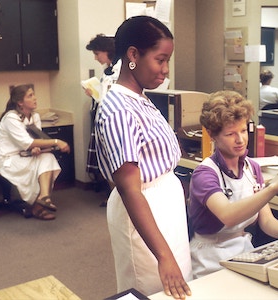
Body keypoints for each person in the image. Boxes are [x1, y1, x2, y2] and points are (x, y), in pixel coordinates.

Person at [94, 16, 192, 298]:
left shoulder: (139, 97)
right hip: (144, 214)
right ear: (133, 54)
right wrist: (163, 255)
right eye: (160, 60)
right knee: (153, 289)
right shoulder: (119, 109)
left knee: (176, 288)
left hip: (164, 210)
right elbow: (130, 189)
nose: (165, 70)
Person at [188, 90, 278, 279]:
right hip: (209, 258)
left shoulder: (252, 167)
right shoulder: (205, 174)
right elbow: (228, 216)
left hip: (243, 253)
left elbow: (266, 221)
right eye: (231, 133)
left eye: (243, 130)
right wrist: (275, 186)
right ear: (212, 135)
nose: (240, 139)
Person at [0, 84, 70, 220]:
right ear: (20, 102)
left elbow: (34, 140)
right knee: (41, 164)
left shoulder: (34, 116)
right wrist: (56, 141)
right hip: (7, 159)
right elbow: (27, 143)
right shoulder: (11, 118)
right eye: (30, 96)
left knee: (48, 158)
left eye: (34, 95)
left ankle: (43, 198)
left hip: (24, 155)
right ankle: (38, 205)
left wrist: (36, 148)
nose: (35, 98)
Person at [85, 34, 120, 206]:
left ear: (107, 51)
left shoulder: (120, 70)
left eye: (97, 53)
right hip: (103, 119)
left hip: (114, 121)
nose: (95, 57)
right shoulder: (108, 70)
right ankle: (114, 197)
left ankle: (118, 198)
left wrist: (98, 96)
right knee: (107, 162)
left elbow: (113, 99)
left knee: (116, 163)